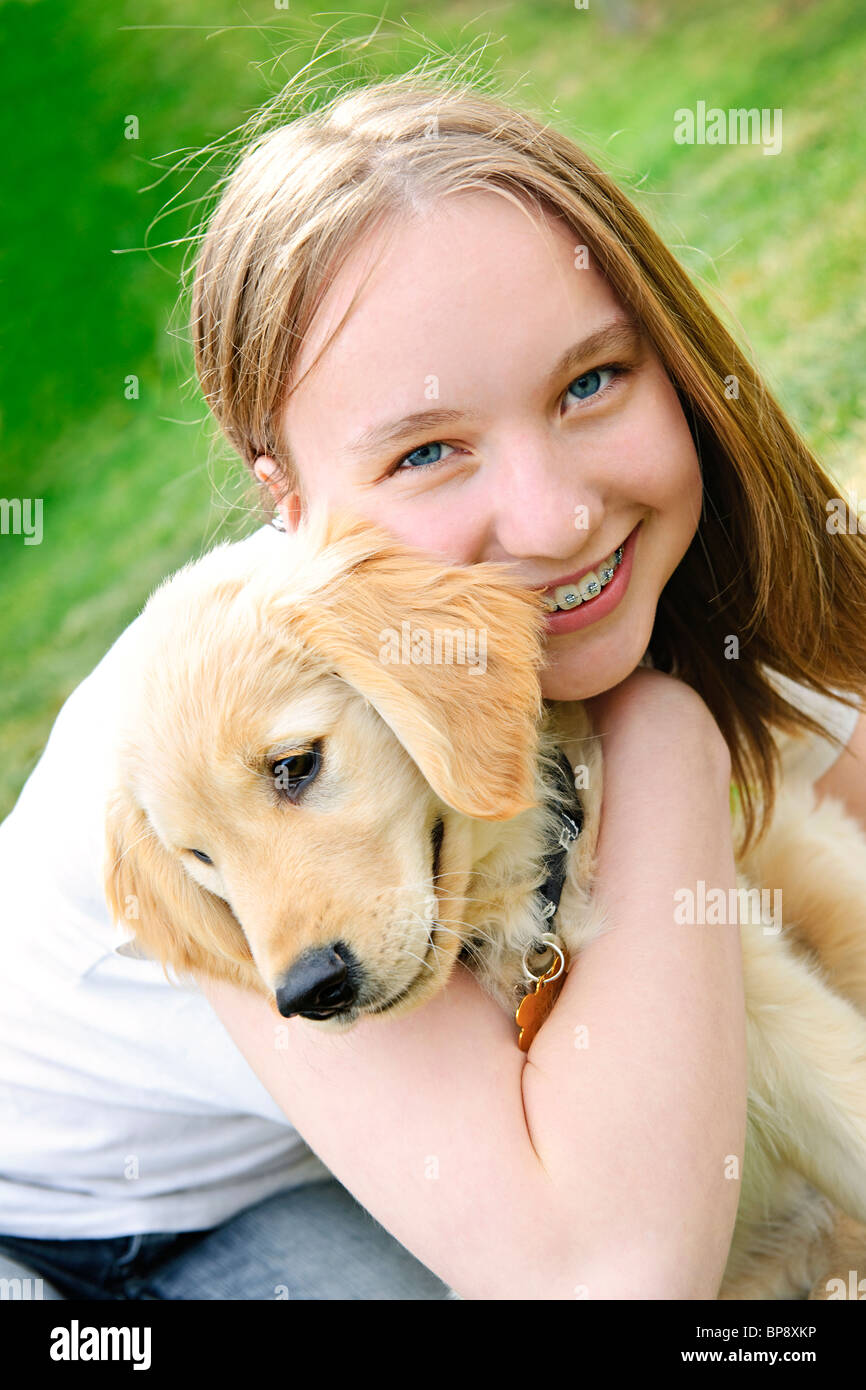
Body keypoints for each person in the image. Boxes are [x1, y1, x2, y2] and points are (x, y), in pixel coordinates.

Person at [1, 69, 864, 1302]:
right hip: (70, 1235)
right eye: (425, 450)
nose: (557, 518)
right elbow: (605, 1274)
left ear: (674, 360)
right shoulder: (182, 785)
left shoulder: (584, 585)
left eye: (589, 383)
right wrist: (662, 731)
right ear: (288, 506)